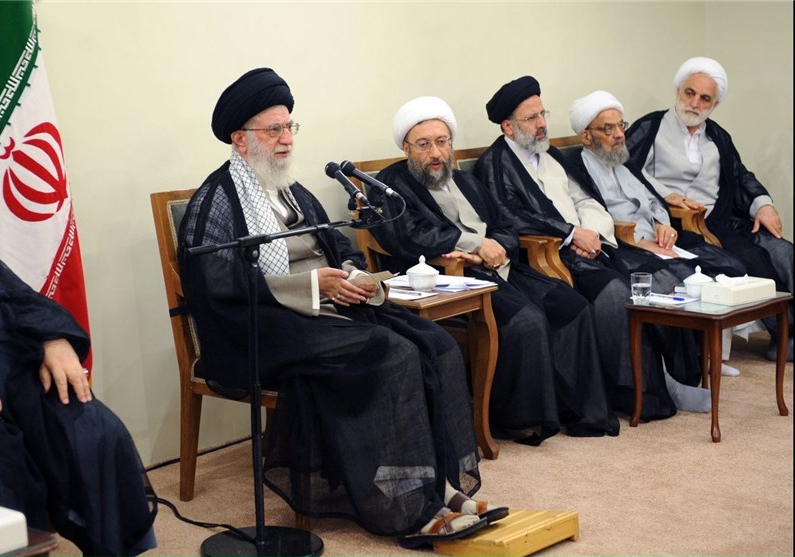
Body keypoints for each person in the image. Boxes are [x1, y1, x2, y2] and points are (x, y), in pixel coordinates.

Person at [177, 68, 506, 549]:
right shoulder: (218, 199)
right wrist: (311, 285)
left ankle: (438, 485)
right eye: (274, 130)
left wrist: (351, 276)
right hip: (262, 326)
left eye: (290, 127)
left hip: (326, 308)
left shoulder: (292, 188)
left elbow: (338, 245)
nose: (287, 139)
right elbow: (215, 282)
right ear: (240, 139)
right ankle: (409, 506)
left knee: (435, 345)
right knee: (392, 355)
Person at [370, 95, 620, 441]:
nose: (436, 153)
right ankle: (519, 419)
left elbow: (505, 223)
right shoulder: (391, 185)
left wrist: (498, 246)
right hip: (449, 276)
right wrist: (474, 245)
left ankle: (577, 410)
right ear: (406, 148)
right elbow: (408, 235)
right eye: (424, 145)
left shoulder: (465, 181)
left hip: (499, 267)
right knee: (525, 320)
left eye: (442, 142)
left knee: (571, 306)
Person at [473, 76, 711, 417]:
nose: (542, 124)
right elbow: (510, 218)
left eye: (542, 114)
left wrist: (591, 233)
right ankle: (635, 390)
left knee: (660, 278)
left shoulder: (548, 153)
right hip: (551, 256)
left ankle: (672, 377)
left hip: (591, 245)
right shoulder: (495, 164)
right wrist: (572, 235)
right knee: (617, 293)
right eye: (531, 118)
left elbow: (585, 199)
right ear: (508, 127)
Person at [567, 90, 751, 376]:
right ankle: (685, 369)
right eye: (608, 129)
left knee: (724, 266)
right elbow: (597, 220)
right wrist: (641, 243)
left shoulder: (623, 161)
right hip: (626, 245)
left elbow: (653, 199)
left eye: (620, 126)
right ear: (587, 137)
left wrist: (663, 225)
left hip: (657, 239)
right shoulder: (578, 170)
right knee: (680, 279)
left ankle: (709, 355)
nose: (619, 135)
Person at [625, 56, 794, 362]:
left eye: (705, 98)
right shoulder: (651, 127)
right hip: (676, 223)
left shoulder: (717, 135)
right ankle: (785, 334)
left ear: (715, 104)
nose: (695, 103)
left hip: (722, 217)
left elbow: (739, 175)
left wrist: (763, 204)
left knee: (783, 251)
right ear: (678, 91)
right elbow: (626, 170)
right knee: (747, 259)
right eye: (689, 93)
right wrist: (668, 194)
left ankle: (788, 331)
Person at [0, 256, 157, 556]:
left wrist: (52, 338)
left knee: (96, 430)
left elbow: (16, 297)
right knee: (3, 468)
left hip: (12, 378)